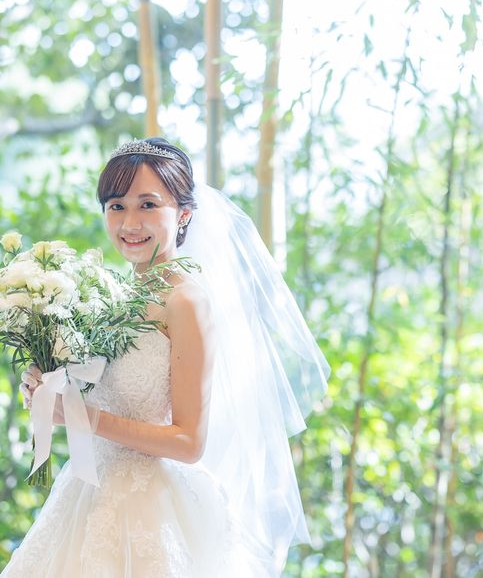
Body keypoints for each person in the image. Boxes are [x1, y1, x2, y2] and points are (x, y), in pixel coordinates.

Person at [1, 138, 330, 577]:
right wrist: (52, 386)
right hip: (87, 491)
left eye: (148, 204)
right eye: (116, 206)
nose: (129, 222)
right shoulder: (113, 294)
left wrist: (82, 417)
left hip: (150, 510)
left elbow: (189, 443)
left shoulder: (186, 302)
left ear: (184, 214)